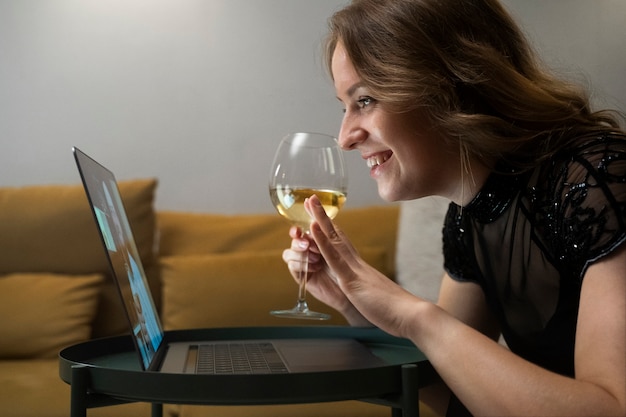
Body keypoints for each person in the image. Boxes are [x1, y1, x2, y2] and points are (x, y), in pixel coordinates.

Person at [281, 1, 626, 416]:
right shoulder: (469, 218)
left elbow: (613, 407)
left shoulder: (596, 178)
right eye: (345, 106)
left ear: (448, 87)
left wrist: (416, 315)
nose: (345, 137)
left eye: (366, 100)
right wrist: (352, 303)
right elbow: (459, 396)